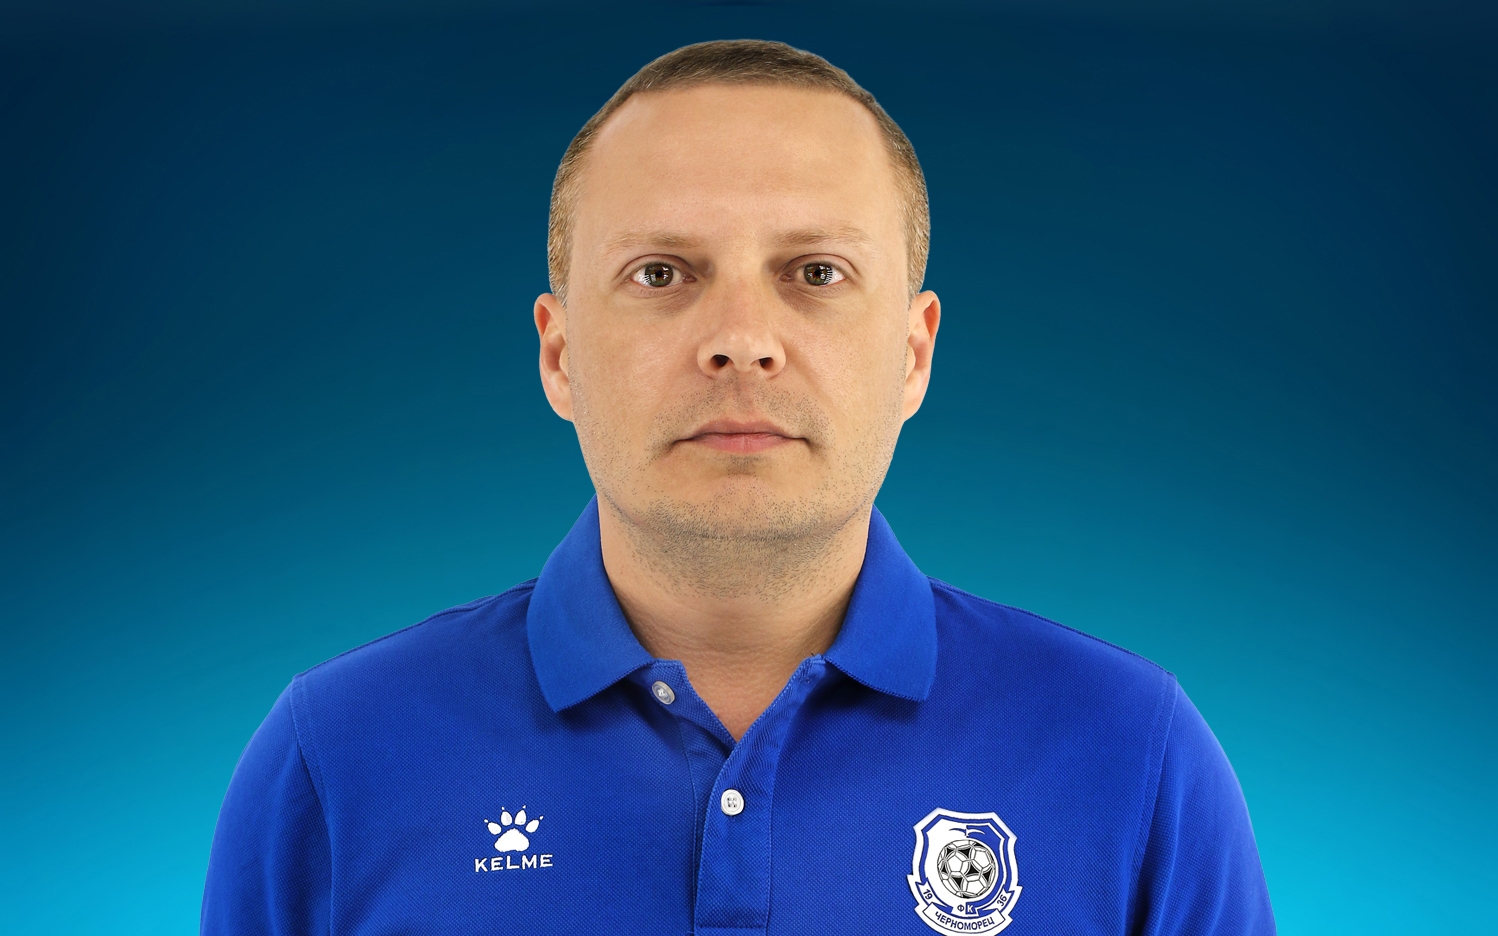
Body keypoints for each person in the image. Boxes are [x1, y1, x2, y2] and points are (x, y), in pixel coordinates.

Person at [202, 40, 1274, 935]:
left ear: (912, 355)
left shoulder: (1128, 756)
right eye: (661, 274)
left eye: (816, 273)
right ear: (560, 355)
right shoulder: (337, 759)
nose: (742, 340)